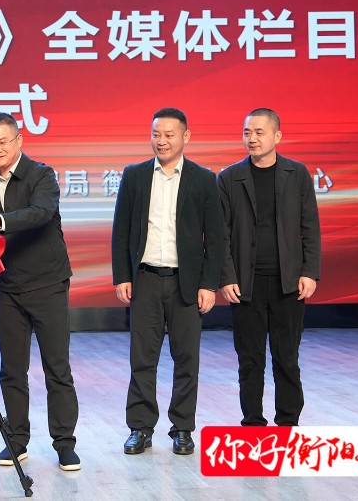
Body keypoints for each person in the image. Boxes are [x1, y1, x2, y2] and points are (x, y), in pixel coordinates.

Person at [111, 108, 223, 456]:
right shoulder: (135, 175)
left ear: (185, 137)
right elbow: (121, 229)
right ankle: (140, 427)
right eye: (156, 134)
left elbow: (215, 237)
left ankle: (183, 428)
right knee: (142, 358)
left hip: (185, 282)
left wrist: (209, 284)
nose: (161, 141)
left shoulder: (203, 179)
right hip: (145, 278)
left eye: (169, 135)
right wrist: (122, 276)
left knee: (186, 359)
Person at [0, 113, 81, 472]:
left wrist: (0, 222)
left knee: (57, 368)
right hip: (9, 287)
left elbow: (41, 213)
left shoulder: (42, 175)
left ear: (19, 141)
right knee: (12, 369)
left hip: (48, 283)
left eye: (3, 141)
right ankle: (17, 440)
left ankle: (64, 444)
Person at [218, 108, 321, 427]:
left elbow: (310, 226)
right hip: (245, 284)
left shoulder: (297, 173)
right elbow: (221, 234)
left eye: (259, 132)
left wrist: (309, 271)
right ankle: (252, 423)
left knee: (287, 357)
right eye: (247, 132)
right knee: (250, 360)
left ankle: (288, 423)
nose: (252, 138)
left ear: (277, 136)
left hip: (287, 282)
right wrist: (227, 276)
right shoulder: (229, 177)